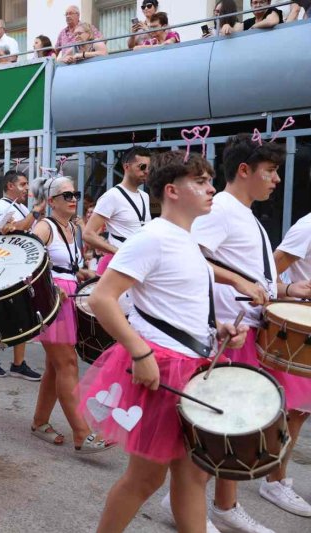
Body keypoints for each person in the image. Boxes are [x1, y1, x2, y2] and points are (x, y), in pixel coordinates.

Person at [79, 150, 247, 533]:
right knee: (145, 479)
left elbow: (176, 307)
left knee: (193, 475)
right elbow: (102, 298)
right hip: (164, 370)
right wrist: (140, 352)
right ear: (172, 190)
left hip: (193, 367)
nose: (211, 189)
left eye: (209, 181)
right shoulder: (152, 238)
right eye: (200, 182)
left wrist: (219, 330)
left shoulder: (186, 241)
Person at [192, 134, 311, 532]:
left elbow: (256, 277)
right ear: (244, 170)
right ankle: (187, 503)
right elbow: (190, 258)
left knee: (238, 426)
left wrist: (288, 290)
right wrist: (238, 282)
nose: (276, 180)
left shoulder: (247, 215)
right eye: (271, 171)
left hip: (247, 331)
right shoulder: (222, 210)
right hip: (228, 334)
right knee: (217, 427)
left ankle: (225, 506)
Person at [29, 175, 114, 453]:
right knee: (67, 364)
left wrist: (82, 273)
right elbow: (27, 263)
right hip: (51, 302)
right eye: (67, 195)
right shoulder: (45, 226)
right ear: (51, 201)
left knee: (55, 366)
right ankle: (81, 433)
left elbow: (66, 265)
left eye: (75, 194)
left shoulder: (73, 228)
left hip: (69, 298)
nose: (73, 199)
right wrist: (51, 287)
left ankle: (40, 422)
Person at [263, 216, 311, 518]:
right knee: (294, 410)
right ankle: (274, 480)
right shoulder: (308, 227)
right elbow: (267, 275)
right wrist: (292, 289)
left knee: (300, 412)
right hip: (300, 330)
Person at [0, 170, 42, 380]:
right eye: (22, 184)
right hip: (1, 267)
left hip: (18, 267)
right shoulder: (1, 206)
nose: (26, 188)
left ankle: (18, 363)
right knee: (0, 314)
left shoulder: (21, 207)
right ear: (10, 186)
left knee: (22, 313)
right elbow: (14, 229)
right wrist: (36, 212)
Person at [84, 146, 151, 275]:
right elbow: (88, 234)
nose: (146, 171)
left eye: (149, 168)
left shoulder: (144, 196)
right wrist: (117, 251)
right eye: (142, 167)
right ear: (127, 167)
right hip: (122, 264)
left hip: (142, 263)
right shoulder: (112, 196)